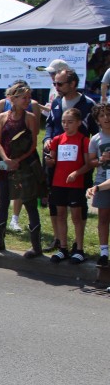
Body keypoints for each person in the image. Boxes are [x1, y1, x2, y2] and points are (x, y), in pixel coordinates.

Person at [0, 82, 46, 258]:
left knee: (29, 202)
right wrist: (6, 159)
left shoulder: (30, 118)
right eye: (24, 98)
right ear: (13, 99)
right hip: (5, 163)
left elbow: (33, 144)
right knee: (3, 201)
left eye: (29, 97)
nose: (27, 101)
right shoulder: (3, 117)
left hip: (25, 165)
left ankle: (36, 246)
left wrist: (18, 160)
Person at [43, 69, 97, 251]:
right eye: (54, 83)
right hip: (55, 158)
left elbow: (96, 132)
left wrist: (92, 155)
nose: (56, 87)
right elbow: (50, 124)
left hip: (80, 162)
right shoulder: (56, 102)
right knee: (55, 201)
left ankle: (78, 243)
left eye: (60, 83)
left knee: (78, 203)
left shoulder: (88, 104)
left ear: (73, 84)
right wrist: (47, 139)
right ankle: (59, 239)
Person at [45, 108, 90, 263]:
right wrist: (49, 161)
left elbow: (88, 164)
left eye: (70, 122)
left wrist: (76, 173)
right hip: (59, 183)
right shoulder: (57, 139)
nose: (66, 125)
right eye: (63, 122)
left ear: (78, 123)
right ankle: (63, 248)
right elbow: (52, 161)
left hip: (76, 184)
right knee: (61, 214)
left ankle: (79, 249)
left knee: (76, 216)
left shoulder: (83, 140)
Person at [87, 104, 110, 266]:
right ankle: (103, 252)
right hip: (102, 180)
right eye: (102, 116)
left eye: (108, 114)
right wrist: (101, 160)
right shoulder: (95, 139)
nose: (106, 118)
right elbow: (90, 161)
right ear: (97, 120)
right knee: (103, 217)